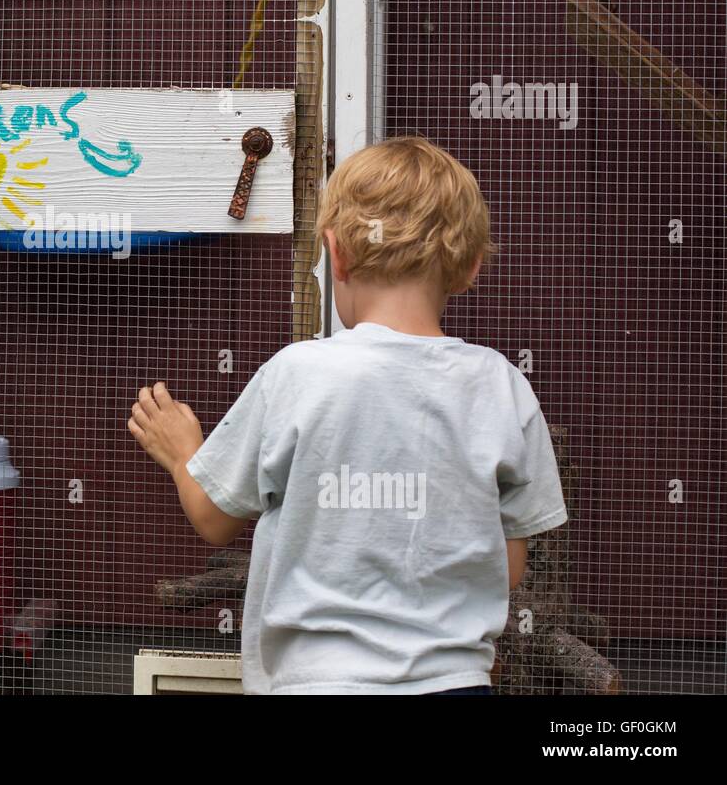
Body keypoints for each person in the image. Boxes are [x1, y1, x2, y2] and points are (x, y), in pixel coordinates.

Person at [128, 136, 567, 694]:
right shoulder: (501, 385)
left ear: (336, 253)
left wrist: (182, 450)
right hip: (456, 682)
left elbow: (215, 520)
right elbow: (505, 567)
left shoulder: (299, 373)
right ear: (469, 268)